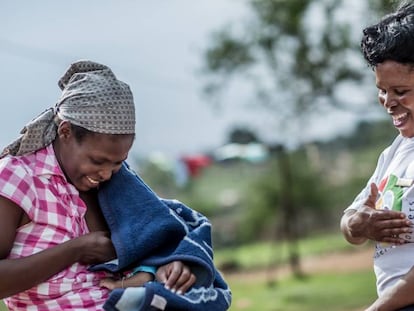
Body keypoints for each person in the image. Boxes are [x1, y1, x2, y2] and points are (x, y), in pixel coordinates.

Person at [0, 60, 196, 310]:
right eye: (97, 161)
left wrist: (168, 264)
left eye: (117, 163)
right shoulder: (18, 176)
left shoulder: (117, 185)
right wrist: (77, 249)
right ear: (66, 132)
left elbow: (154, 239)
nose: (106, 173)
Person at [340, 1, 414, 310]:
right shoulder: (396, 151)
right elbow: (349, 219)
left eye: (400, 91)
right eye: (382, 90)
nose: (388, 102)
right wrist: (360, 224)